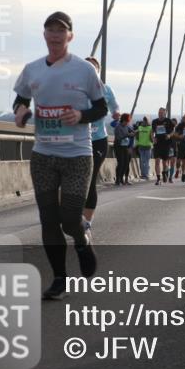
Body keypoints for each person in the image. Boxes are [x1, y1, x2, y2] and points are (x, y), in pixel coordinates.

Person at [13, 12, 105, 299]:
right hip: (43, 155)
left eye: (61, 31)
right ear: (44, 35)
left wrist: (81, 114)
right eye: (50, 30)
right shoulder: (32, 69)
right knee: (49, 220)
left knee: (69, 218)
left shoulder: (84, 70)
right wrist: (20, 111)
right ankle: (59, 280)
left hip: (78, 154)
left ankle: (81, 241)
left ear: (70, 37)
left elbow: (101, 108)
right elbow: (21, 97)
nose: (55, 35)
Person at [81, 57, 118, 235]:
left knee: (90, 177)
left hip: (98, 140)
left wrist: (117, 114)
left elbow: (115, 108)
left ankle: (87, 221)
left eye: (92, 68)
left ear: (98, 71)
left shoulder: (106, 89)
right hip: (77, 140)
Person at [151, 108, 174, 184]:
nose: (160, 114)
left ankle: (164, 173)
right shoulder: (155, 121)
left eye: (162, 113)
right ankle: (158, 179)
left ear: (165, 114)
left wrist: (169, 135)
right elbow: (152, 131)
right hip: (157, 144)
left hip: (166, 143)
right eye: (159, 112)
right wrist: (153, 138)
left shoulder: (168, 121)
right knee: (157, 161)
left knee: (165, 162)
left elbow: (173, 131)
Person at [113, 113, 134, 185]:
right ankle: (118, 179)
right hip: (118, 146)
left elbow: (131, 131)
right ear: (123, 120)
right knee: (121, 162)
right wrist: (128, 135)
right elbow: (119, 137)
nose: (127, 123)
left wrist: (132, 133)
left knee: (126, 163)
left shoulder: (127, 126)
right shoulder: (118, 126)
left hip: (125, 146)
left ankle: (122, 178)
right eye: (126, 122)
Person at [135, 116, 153, 181]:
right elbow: (151, 138)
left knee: (143, 161)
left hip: (143, 146)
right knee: (146, 161)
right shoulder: (150, 128)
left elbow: (137, 137)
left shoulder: (140, 127)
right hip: (146, 146)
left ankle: (143, 174)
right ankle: (145, 175)